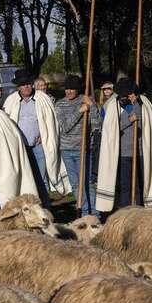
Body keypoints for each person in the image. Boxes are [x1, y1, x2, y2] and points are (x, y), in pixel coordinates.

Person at [96, 77, 152, 213]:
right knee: (125, 185)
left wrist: (135, 106)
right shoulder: (114, 105)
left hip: (140, 152)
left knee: (138, 184)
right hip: (123, 153)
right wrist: (129, 119)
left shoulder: (143, 103)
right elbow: (112, 127)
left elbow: (144, 124)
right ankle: (125, 212)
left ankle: (139, 211)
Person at [2, 69, 70, 206]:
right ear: (18, 87)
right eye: (23, 84)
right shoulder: (11, 101)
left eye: (28, 83)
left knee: (41, 180)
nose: (26, 86)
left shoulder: (42, 99)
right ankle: (27, 210)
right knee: (23, 179)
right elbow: (6, 124)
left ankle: (45, 209)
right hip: (20, 148)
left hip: (39, 147)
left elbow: (51, 122)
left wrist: (44, 135)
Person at [55, 76, 101, 216]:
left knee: (86, 182)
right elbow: (65, 127)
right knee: (75, 184)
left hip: (83, 148)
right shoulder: (59, 104)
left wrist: (91, 106)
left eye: (72, 89)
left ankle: (95, 214)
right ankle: (85, 212)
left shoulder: (86, 100)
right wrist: (80, 111)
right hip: (66, 150)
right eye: (67, 88)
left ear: (78, 89)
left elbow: (97, 124)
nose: (69, 91)